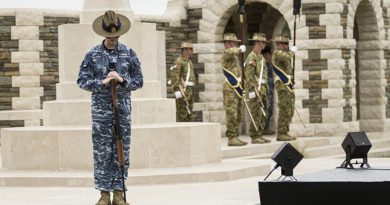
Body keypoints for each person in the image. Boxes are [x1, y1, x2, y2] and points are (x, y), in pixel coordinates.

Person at [77, 10, 143, 205]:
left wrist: (122, 80)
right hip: (101, 113)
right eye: (109, 36)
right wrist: (103, 82)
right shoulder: (92, 54)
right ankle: (104, 194)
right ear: (103, 34)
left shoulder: (129, 53)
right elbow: (82, 80)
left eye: (115, 36)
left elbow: (139, 81)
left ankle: (119, 193)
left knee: (122, 150)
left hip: (122, 110)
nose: (112, 39)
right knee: (102, 152)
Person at [221, 33, 247, 146]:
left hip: (237, 87)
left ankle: (235, 135)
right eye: (233, 43)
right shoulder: (226, 54)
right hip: (230, 88)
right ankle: (231, 137)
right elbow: (231, 51)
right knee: (231, 113)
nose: (234, 45)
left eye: (235, 43)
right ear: (227, 43)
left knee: (238, 113)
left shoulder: (234, 57)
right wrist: (239, 49)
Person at [244, 33, 271, 144]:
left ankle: (259, 133)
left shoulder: (261, 58)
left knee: (263, 112)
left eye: (265, 42)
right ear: (257, 43)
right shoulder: (252, 57)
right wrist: (255, 90)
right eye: (262, 42)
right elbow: (249, 76)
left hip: (263, 88)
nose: (264, 44)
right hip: (255, 89)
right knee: (256, 112)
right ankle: (254, 136)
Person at [271, 34, 296, 141]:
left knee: (289, 109)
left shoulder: (284, 53)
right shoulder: (277, 53)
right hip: (282, 85)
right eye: (284, 44)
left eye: (287, 44)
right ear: (278, 44)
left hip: (287, 85)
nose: (287, 46)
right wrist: (293, 52)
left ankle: (285, 131)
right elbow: (286, 56)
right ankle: (281, 132)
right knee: (284, 108)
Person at [168, 42, 195, 122]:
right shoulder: (179, 61)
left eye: (190, 49)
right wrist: (177, 90)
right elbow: (175, 76)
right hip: (183, 90)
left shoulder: (189, 62)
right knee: (182, 113)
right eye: (187, 49)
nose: (189, 51)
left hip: (190, 90)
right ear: (183, 50)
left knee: (189, 113)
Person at [262, 45, 276, 135]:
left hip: (270, 88)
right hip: (265, 89)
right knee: (266, 108)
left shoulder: (270, 64)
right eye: (269, 54)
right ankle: (263, 127)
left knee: (270, 109)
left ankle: (265, 127)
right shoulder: (264, 64)